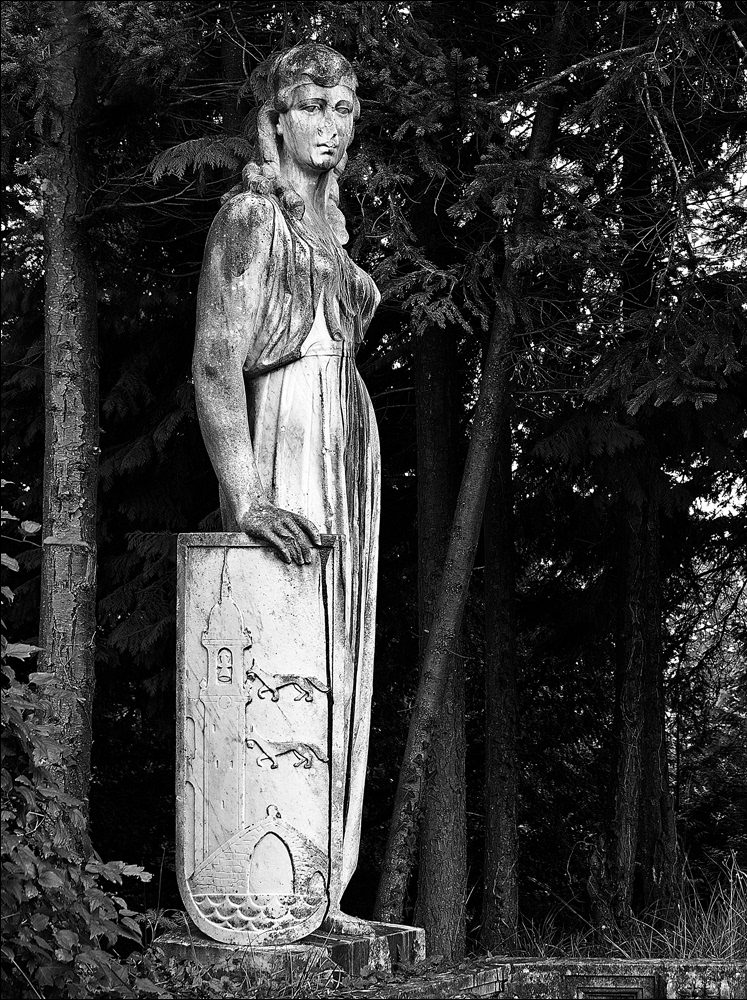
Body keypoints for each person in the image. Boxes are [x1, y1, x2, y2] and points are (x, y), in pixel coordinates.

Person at [192, 42, 379, 930]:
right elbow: (215, 363)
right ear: (275, 119)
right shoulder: (249, 217)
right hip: (289, 430)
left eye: (342, 110)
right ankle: (275, 885)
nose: (329, 126)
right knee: (293, 655)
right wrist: (246, 498)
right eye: (311, 106)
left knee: (345, 656)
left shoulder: (329, 230)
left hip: (348, 434)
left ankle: (323, 890)